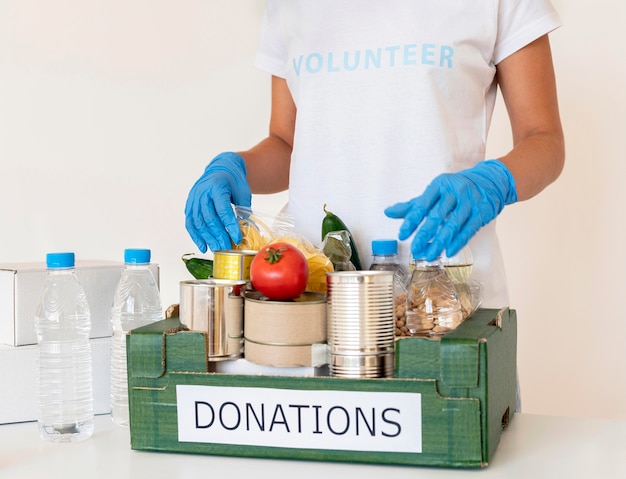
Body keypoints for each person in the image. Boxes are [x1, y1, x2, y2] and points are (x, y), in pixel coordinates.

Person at [185, 0, 565, 308]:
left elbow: (543, 139)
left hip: (444, 301)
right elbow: (287, 142)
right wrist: (235, 168)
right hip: (311, 296)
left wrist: (493, 183)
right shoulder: (289, 6)